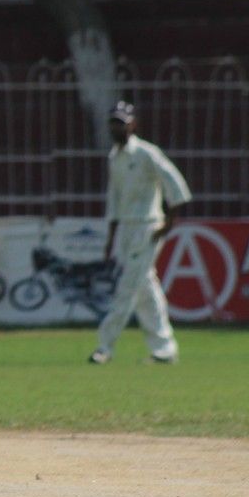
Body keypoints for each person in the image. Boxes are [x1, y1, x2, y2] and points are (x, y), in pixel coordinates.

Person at [88, 101, 191, 365]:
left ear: (133, 125)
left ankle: (105, 346)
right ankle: (165, 349)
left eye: (121, 123)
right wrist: (111, 237)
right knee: (145, 288)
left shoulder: (147, 153)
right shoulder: (114, 157)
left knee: (127, 288)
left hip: (147, 226)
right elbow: (115, 198)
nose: (116, 128)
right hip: (126, 228)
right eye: (113, 123)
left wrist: (169, 223)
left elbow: (175, 184)